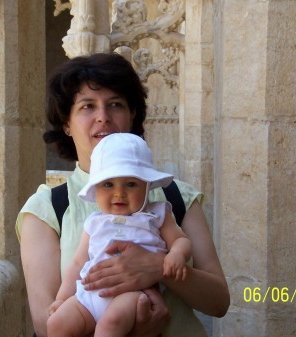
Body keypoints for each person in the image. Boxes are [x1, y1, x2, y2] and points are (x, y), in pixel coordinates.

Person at [16, 52, 230, 337]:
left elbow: (218, 302)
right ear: (66, 123)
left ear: (132, 116)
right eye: (87, 106)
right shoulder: (47, 209)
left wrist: (157, 268)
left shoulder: (176, 198)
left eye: (115, 104)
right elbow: (48, 327)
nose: (102, 117)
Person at [47, 133, 192, 337]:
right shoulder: (95, 222)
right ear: (96, 188)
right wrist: (62, 299)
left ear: (147, 185)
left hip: (132, 294)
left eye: (131, 184)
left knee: (110, 325)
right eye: (108, 184)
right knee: (56, 324)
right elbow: (77, 262)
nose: (119, 193)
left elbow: (181, 240)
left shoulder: (156, 213)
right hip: (88, 297)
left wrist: (177, 254)